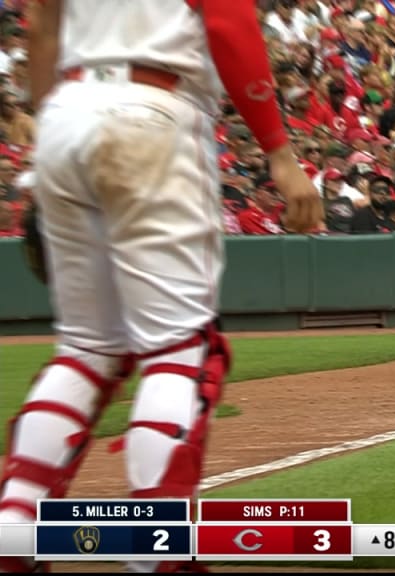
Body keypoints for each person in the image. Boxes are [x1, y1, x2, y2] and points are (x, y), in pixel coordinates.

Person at [1, 0, 323, 572]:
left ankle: (15, 529)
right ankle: (157, 551)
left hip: (64, 111)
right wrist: (278, 149)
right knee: (179, 348)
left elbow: (45, 28)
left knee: (86, 351)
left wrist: (58, 136)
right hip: (153, 110)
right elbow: (228, 20)